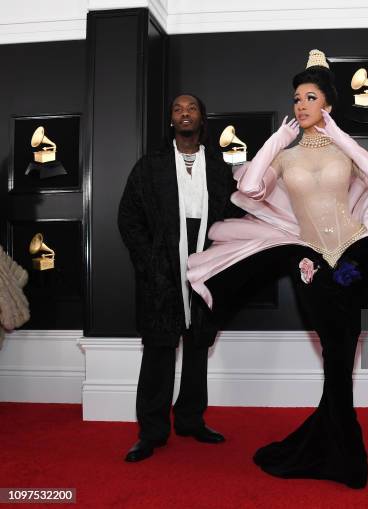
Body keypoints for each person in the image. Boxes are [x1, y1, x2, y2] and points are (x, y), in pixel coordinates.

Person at [187, 50, 368, 488]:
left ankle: (335, 445)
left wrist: (341, 136)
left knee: (342, 354)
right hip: (310, 261)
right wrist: (274, 142)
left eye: (310, 97)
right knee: (334, 352)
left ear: (326, 103)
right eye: (296, 99)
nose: (301, 105)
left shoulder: (346, 150)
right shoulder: (284, 159)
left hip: (354, 257)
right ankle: (344, 452)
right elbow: (249, 188)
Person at [117, 93, 244, 462]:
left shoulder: (220, 168)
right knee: (159, 348)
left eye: (192, 109)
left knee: (197, 346)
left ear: (202, 119)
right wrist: (151, 263)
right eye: (177, 109)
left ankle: (190, 420)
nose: (184, 113)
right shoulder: (149, 166)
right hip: (163, 268)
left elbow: (234, 218)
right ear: (171, 120)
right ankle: (151, 431)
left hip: (206, 263)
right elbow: (129, 218)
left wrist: (219, 261)